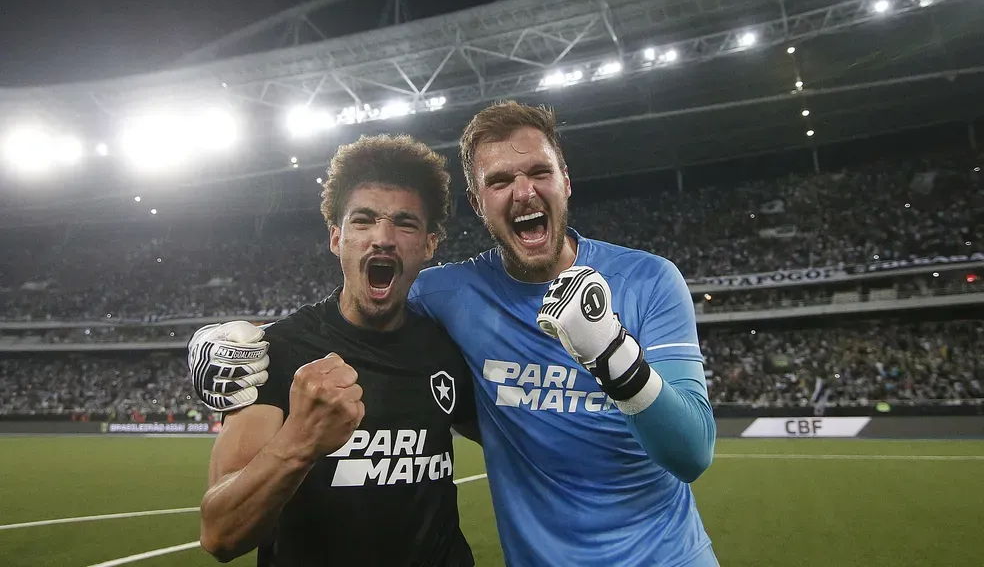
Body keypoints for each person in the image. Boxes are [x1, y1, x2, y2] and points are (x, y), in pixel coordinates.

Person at [191, 101, 718, 566]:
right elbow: (219, 534)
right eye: (499, 181)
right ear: (477, 201)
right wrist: (229, 337)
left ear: (566, 183)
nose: (524, 191)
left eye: (539, 172)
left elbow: (692, 454)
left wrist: (612, 353)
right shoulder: (442, 299)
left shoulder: (648, 280)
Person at [194, 135, 477, 566]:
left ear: (429, 244)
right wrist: (300, 442)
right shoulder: (281, 351)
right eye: (363, 221)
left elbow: (521, 437)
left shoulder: (448, 347)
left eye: (405, 223)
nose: (383, 238)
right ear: (336, 238)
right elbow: (220, 534)